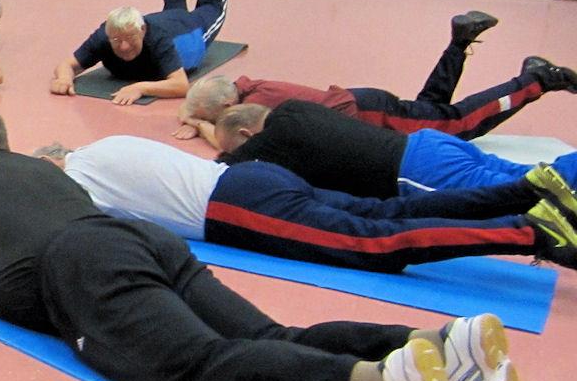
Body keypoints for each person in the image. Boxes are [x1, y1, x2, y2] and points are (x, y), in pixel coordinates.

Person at [0, 108, 522, 381]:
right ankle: (441, 344)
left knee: (198, 367)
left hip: (82, 269)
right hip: (143, 240)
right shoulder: (45, 169)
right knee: (271, 337)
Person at [32, 136, 577, 272]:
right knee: (384, 213)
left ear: (52, 165)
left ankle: (533, 232)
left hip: (232, 206)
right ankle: (529, 191)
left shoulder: (77, 180)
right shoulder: (105, 145)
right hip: (251, 176)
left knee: (372, 243)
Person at [176, 15, 577, 142]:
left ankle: (537, 78)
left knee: (456, 125)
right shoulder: (250, 86)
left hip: (368, 113)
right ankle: (459, 41)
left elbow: (234, 144)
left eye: (215, 117)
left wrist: (199, 123)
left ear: (227, 107)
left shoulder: (252, 106)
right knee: (428, 112)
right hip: (364, 102)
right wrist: (196, 113)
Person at [215, 100, 577, 198]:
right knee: (530, 175)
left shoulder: (271, 142)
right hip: (427, 143)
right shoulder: (294, 109)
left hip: (416, 170)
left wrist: (198, 121)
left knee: (529, 191)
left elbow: (223, 165)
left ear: (248, 134)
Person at [50, 0, 234, 104]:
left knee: (213, 5)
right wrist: (64, 78)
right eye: (117, 40)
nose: (124, 46)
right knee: (174, 10)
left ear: (142, 30)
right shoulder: (103, 36)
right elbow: (67, 65)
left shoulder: (158, 41)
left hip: (187, 28)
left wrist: (140, 88)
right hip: (167, 18)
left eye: (130, 38)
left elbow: (180, 85)